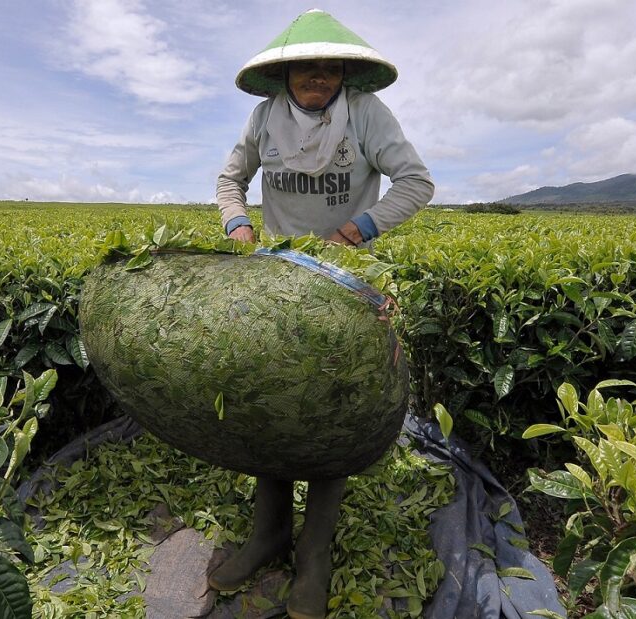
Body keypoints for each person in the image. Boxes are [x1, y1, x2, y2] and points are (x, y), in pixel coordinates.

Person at [212, 9, 434, 619]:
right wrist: (237, 220)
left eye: (329, 66)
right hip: (280, 279)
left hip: (346, 281)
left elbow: (416, 182)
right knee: (274, 400)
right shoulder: (264, 118)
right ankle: (268, 532)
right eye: (305, 66)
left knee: (332, 407)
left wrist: (358, 228)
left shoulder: (364, 113)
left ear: (344, 72)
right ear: (283, 74)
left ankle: (316, 550)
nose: (317, 76)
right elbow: (230, 179)